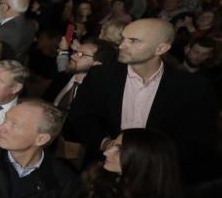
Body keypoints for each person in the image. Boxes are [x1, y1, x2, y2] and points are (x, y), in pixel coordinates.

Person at [65, 18, 219, 183]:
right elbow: (80, 115)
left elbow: (199, 139)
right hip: (103, 172)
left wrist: (150, 158)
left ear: (161, 48)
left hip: (157, 179)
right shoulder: (101, 75)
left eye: (133, 41)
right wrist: (104, 143)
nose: (122, 45)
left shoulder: (193, 87)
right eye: (123, 38)